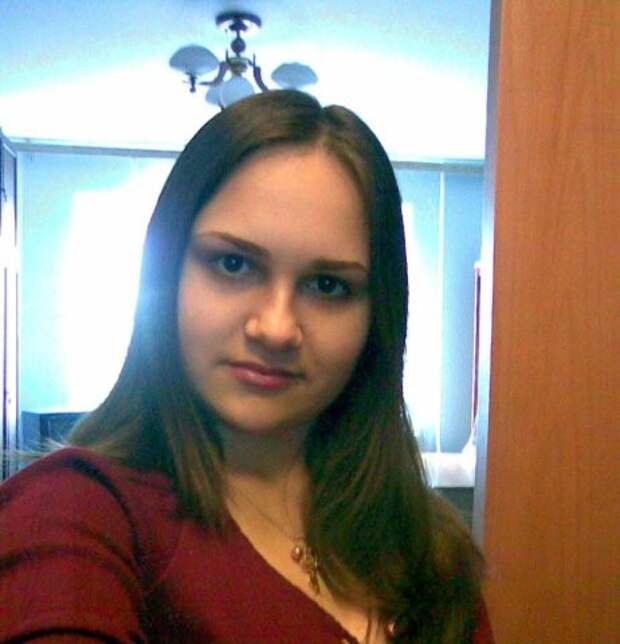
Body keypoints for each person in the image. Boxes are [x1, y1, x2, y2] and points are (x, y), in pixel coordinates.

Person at [0, 90, 493, 643]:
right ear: (167, 273)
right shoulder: (77, 511)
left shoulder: (429, 549)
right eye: (233, 264)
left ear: (376, 317)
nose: (276, 328)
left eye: (327, 285)